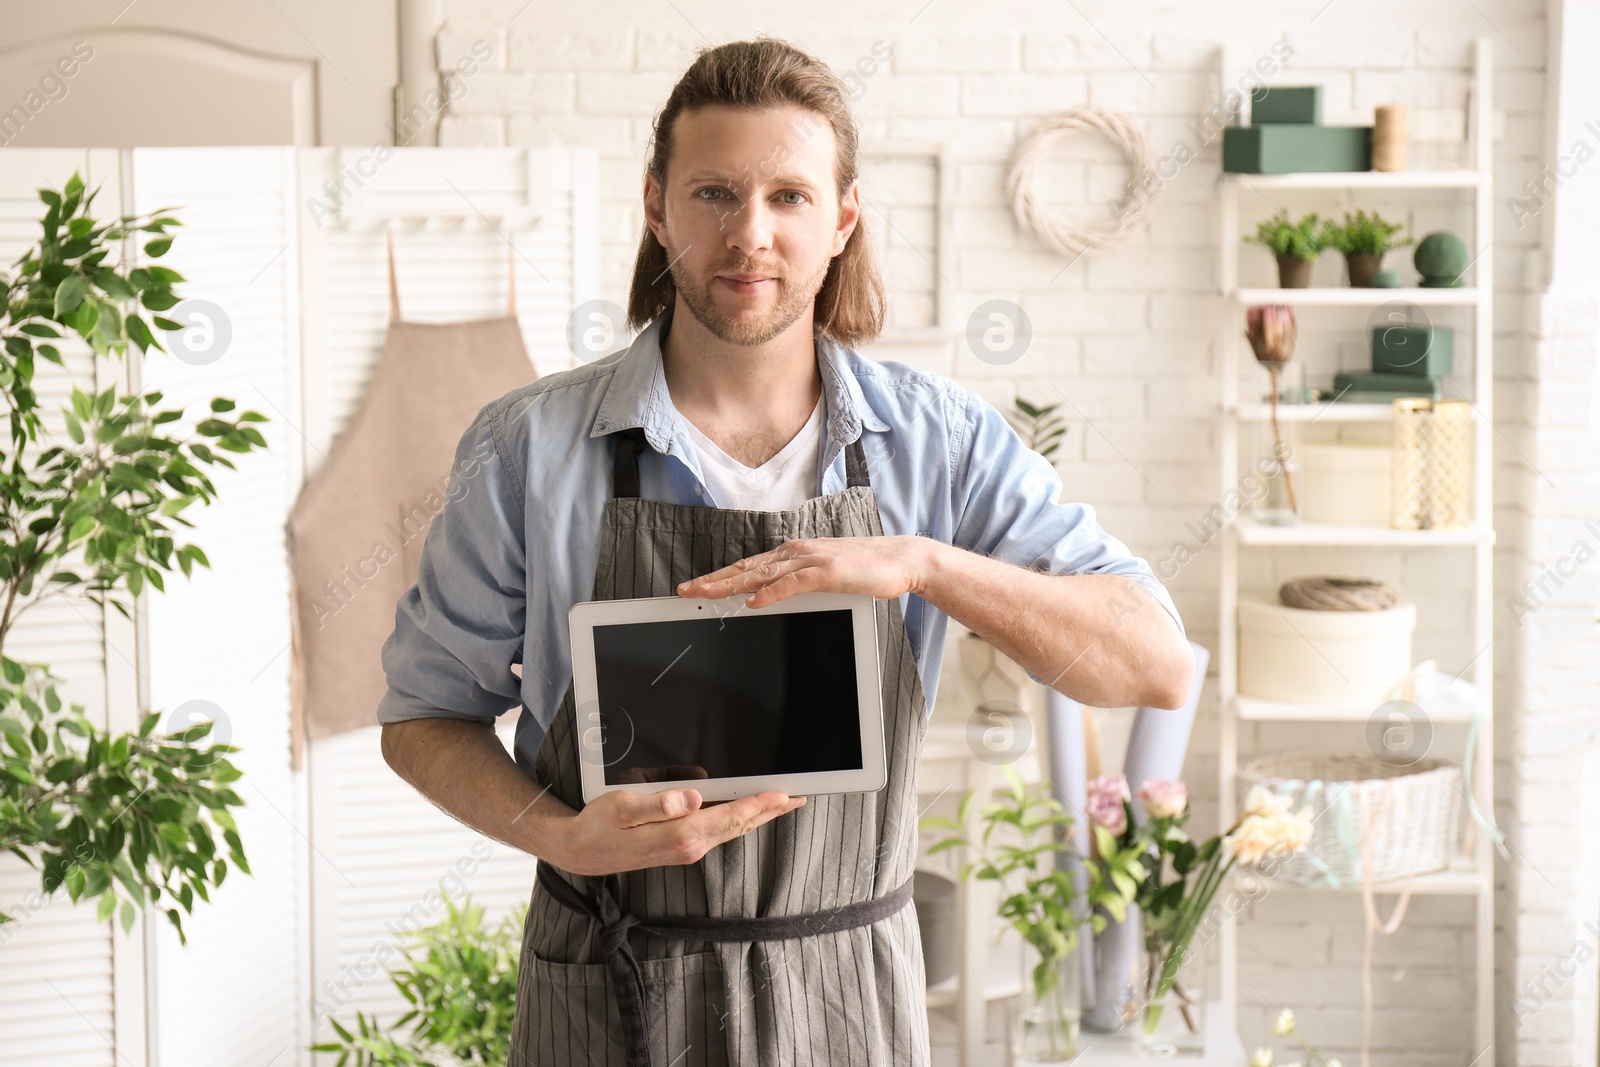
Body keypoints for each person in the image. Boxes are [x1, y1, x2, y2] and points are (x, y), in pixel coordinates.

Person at [377, 36, 1193, 1067]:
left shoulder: (940, 442)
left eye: (789, 197)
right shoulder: (526, 447)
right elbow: (422, 716)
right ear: (656, 205)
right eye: (714, 192)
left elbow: (1153, 662)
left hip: (846, 996)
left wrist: (924, 565)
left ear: (842, 217)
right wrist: (558, 832)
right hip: (607, 991)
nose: (748, 234)